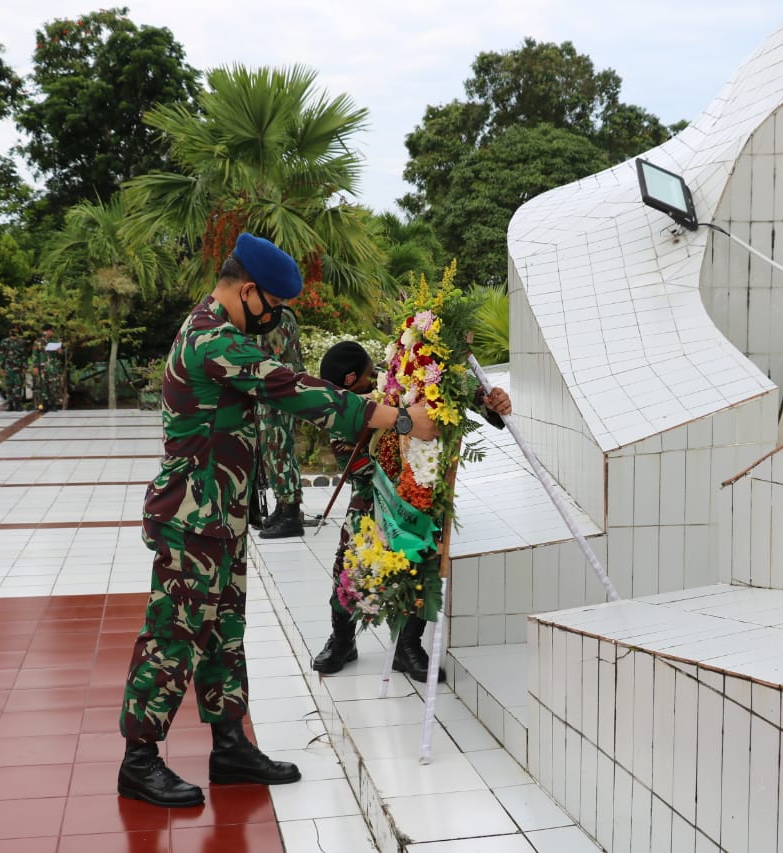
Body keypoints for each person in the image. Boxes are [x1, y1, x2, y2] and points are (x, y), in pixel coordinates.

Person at [117, 233, 439, 810]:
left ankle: (230, 747)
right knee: (173, 635)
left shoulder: (223, 333)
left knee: (224, 632)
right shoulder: (211, 339)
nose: (274, 317)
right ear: (248, 291)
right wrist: (399, 419)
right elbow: (291, 387)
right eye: (273, 304)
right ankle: (138, 762)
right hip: (193, 519)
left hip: (219, 516)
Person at [311, 341, 512, 681]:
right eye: (369, 375)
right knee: (349, 561)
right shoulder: (341, 407)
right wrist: (398, 422)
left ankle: (407, 646)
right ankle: (342, 639)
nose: (375, 375)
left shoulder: (396, 379)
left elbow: (449, 388)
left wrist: (488, 401)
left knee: (420, 559)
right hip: (372, 491)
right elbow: (359, 465)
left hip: (418, 487)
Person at [255, 304, 306, 538]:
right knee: (273, 450)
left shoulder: (277, 316)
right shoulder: (272, 313)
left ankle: (290, 514)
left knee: (279, 449)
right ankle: (283, 506)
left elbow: (276, 357)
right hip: (272, 390)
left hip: (278, 390)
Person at [31, 325, 63, 412]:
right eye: (50, 331)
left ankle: (53, 404)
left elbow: (60, 355)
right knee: (43, 385)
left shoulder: (55, 341)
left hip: (53, 367)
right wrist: (35, 366)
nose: (52, 332)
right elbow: (35, 355)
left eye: (52, 331)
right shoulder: (38, 342)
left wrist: (60, 352)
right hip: (42, 367)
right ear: (46, 331)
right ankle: (44, 404)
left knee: (54, 385)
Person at [0, 325, 29, 411]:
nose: (14, 331)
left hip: (18, 368)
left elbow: (24, 356)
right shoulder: (5, 342)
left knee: (18, 386)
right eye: (12, 329)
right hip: (8, 368)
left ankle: (18, 404)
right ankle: (10, 404)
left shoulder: (22, 342)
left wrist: (25, 367)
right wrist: (1, 367)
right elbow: (2, 355)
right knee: (9, 387)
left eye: (16, 329)